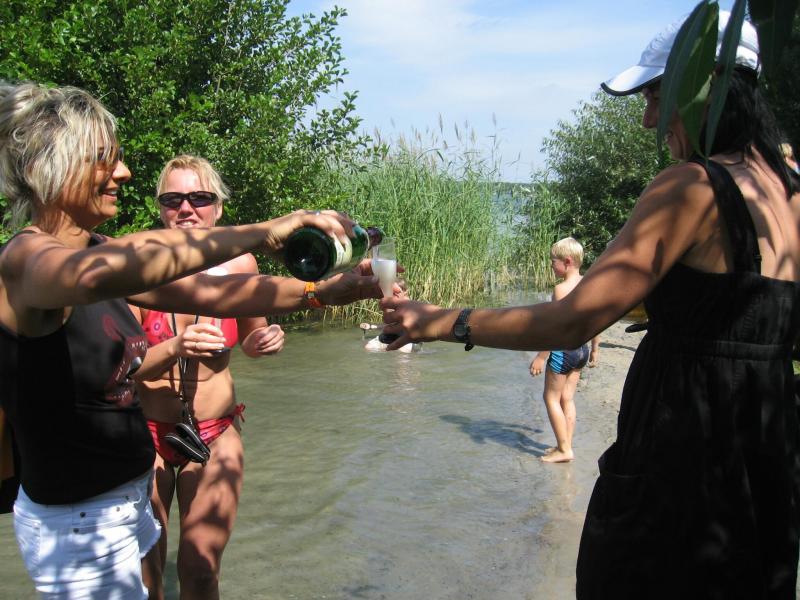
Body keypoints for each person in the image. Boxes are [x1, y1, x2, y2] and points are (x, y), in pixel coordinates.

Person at [380, 11, 800, 598]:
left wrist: (445, 321)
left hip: (683, 446)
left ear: (704, 86)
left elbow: (574, 318)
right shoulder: (790, 185)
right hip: (768, 449)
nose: (650, 120)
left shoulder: (690, 186)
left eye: (656, 97)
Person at [0, 82, 385, 599]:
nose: (123, 172)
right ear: (47, 167)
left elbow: (217, 292)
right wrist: (262, 231)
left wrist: (323, 292)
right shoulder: (25, 260)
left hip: (123, 499)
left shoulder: (96, 248)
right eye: (103, 159)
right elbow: (88, 276)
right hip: (79, 525)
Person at [128, 155, 285, 599]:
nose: (186, 208)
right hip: (148, 434)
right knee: (146, 574)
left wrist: (264, 340)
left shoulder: (241, 266)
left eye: (199, 198)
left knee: (199, 570)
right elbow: (123, 371)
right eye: (173, 199)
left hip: (215, 433)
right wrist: (175, 347)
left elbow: (252, 335)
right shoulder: (134, 268)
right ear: (160, 208)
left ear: (218, 207)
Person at [528, 237, 599, 463]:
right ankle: (566, 444)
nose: (551, 265)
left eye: (553, 261)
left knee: (550, 397)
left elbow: (555, 328)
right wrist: (595, 349)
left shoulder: (560, 290)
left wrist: (541, 357)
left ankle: (564, 449)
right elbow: (596, 320)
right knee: (567, 398)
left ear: (567, 262)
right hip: (582, 350)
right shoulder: (589, 284)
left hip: (563, 351)